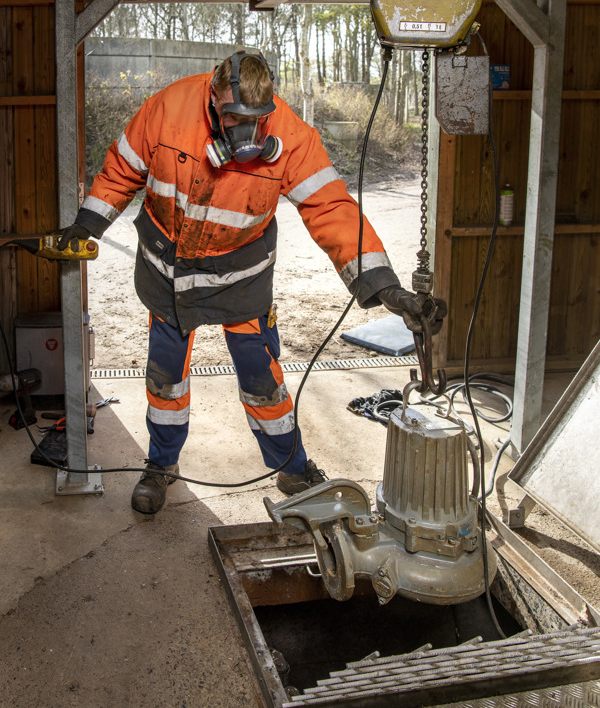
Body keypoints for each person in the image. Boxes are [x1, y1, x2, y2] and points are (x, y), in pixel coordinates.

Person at [58, 49, 446, 515]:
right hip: (169, 275)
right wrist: (87, 225)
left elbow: (330, 206)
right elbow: (121, 170)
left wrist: (384, 286)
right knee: (165, 379)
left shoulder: (292, 135)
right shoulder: (167, 109)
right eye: (233, 118)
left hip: (241, 280)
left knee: (263, 381)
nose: (247, 134)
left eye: (258, 120)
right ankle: (161, 465)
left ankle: (291, 467)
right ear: (212, 98)